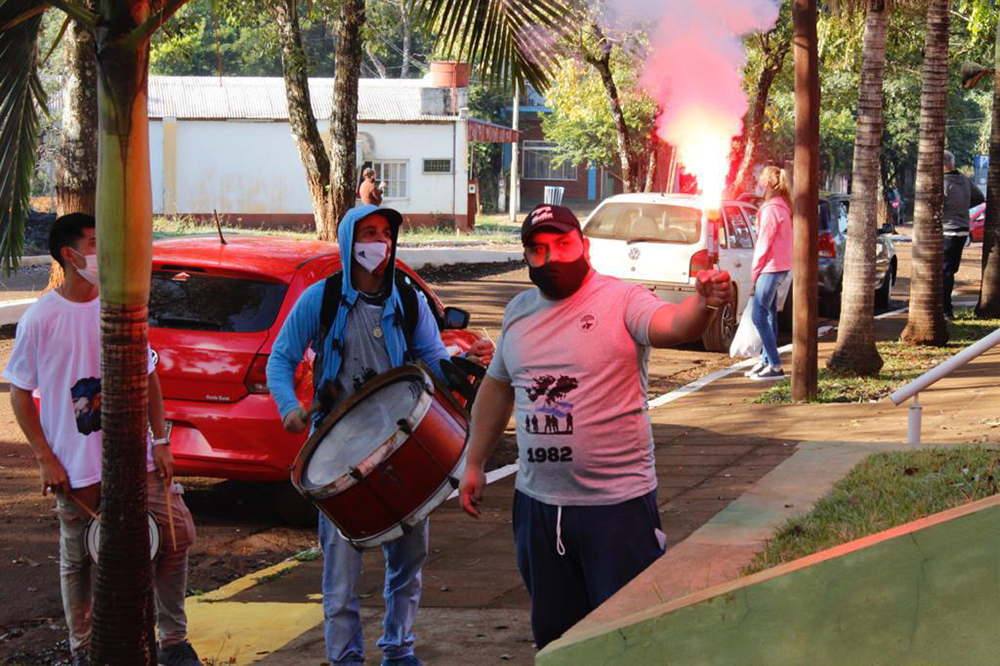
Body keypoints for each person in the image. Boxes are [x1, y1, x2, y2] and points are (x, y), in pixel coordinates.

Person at [457, 203, 732, 650]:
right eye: (538, 249)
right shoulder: (519, 313)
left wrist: (703, 303)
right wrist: (475, 462)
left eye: (563, 244)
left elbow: (673, 324)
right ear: (526, 257)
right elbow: (497, 388)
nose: (552, 257)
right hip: (538, 508)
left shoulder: (621, 299)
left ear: (584, 246)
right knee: (557, 643)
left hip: (616, 509)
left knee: (629, 641)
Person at [266, 204, 494, 666]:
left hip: (402, 447)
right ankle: (344, 658)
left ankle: (399, 649)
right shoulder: (321, 299)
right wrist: (289, 408)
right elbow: (281, 359)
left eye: (386, 233)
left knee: (409, 560)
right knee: (340, 574)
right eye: (368, 233)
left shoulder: (407, 300)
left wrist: (466, 366)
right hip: (336, 452)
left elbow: (433, 361)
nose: (379, 242)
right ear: (349, 241)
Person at [4, 213, 200, 666]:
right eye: (95, 243)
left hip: (137, 458)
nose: (104, 252)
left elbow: (148, 375)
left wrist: (160, 440)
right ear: (70, 256)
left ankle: (173, 641)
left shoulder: (120, 306)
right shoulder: (40, 319)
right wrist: (45, 458)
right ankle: (83, 648)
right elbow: (19, 391)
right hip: (75, 466)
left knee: (176, 535)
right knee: (80, 556)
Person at [746, 165, 794, 381]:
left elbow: (764, 243)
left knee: (758, 315)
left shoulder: (771, 209)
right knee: (769, 314)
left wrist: (755, 272)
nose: (758, 185)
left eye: (760, 181)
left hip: (771, 267)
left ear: (767, 184)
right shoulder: (782, 206)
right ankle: (766, 360)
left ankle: (774, 364)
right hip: (780, 266)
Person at [943, 150, 985, 320]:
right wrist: (961, 207)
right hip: (962, 231)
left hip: (947, 231)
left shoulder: (941, 182)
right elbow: (979, 197)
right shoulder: (965, 180)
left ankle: (946, 310)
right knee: (950, 271)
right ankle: (946, 308)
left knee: (944, 271)